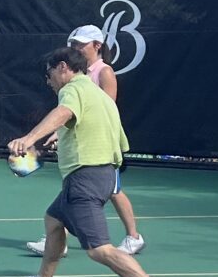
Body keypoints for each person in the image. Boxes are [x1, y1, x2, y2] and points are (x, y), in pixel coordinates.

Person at [5, 47, 182, 277]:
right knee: (53, 221)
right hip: (103, 173)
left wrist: (29, 138)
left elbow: (64, 112)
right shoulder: (99, 95)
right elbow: (114, 137)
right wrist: (60, 136)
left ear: (63, 67)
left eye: (49, 73)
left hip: (85, 178)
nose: (48, 80)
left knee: (100, 250)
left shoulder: (72, 89)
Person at [26, 24, 145, 256]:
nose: (76, 48)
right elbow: (71, 112)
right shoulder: (76, 74)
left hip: (102, 145)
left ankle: (133, 237)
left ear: (97, 46)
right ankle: (57, 239)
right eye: (74, 44)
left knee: (113, 190)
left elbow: (105, 108)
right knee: (82, 188)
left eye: (81, 44)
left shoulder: (104, 72)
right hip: (84, 146)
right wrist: (58, 133)